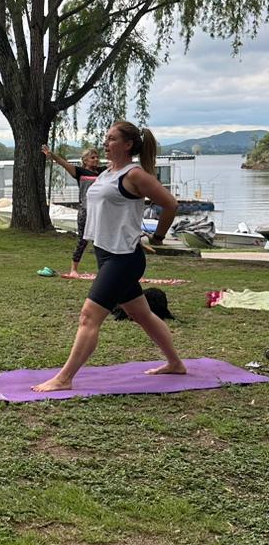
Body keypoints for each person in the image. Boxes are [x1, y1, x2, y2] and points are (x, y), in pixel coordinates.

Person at [33, 120, 185, 391]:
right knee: (143, 315)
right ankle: (175, 363)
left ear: (127, 145)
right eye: (105, 138)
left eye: (112, 138)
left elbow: (170, 204)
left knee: (88, 316)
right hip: (106, 254)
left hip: (123, 258)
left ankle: (64, 378)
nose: (105, 142)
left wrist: (158, 237)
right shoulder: (107, 173)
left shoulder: (134, 175)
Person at [42, 143, 104, 275]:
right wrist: (51, 155)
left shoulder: (102, 171)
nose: (96, 159)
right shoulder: (79, 172)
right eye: (93, 157)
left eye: (97, 157)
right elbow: (63, 163)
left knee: (100, 241)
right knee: (83, 240)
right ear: (85, 160)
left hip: (99, 211)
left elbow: (118, 166)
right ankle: (74, 270)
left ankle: (104, 270)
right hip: (85, 211)